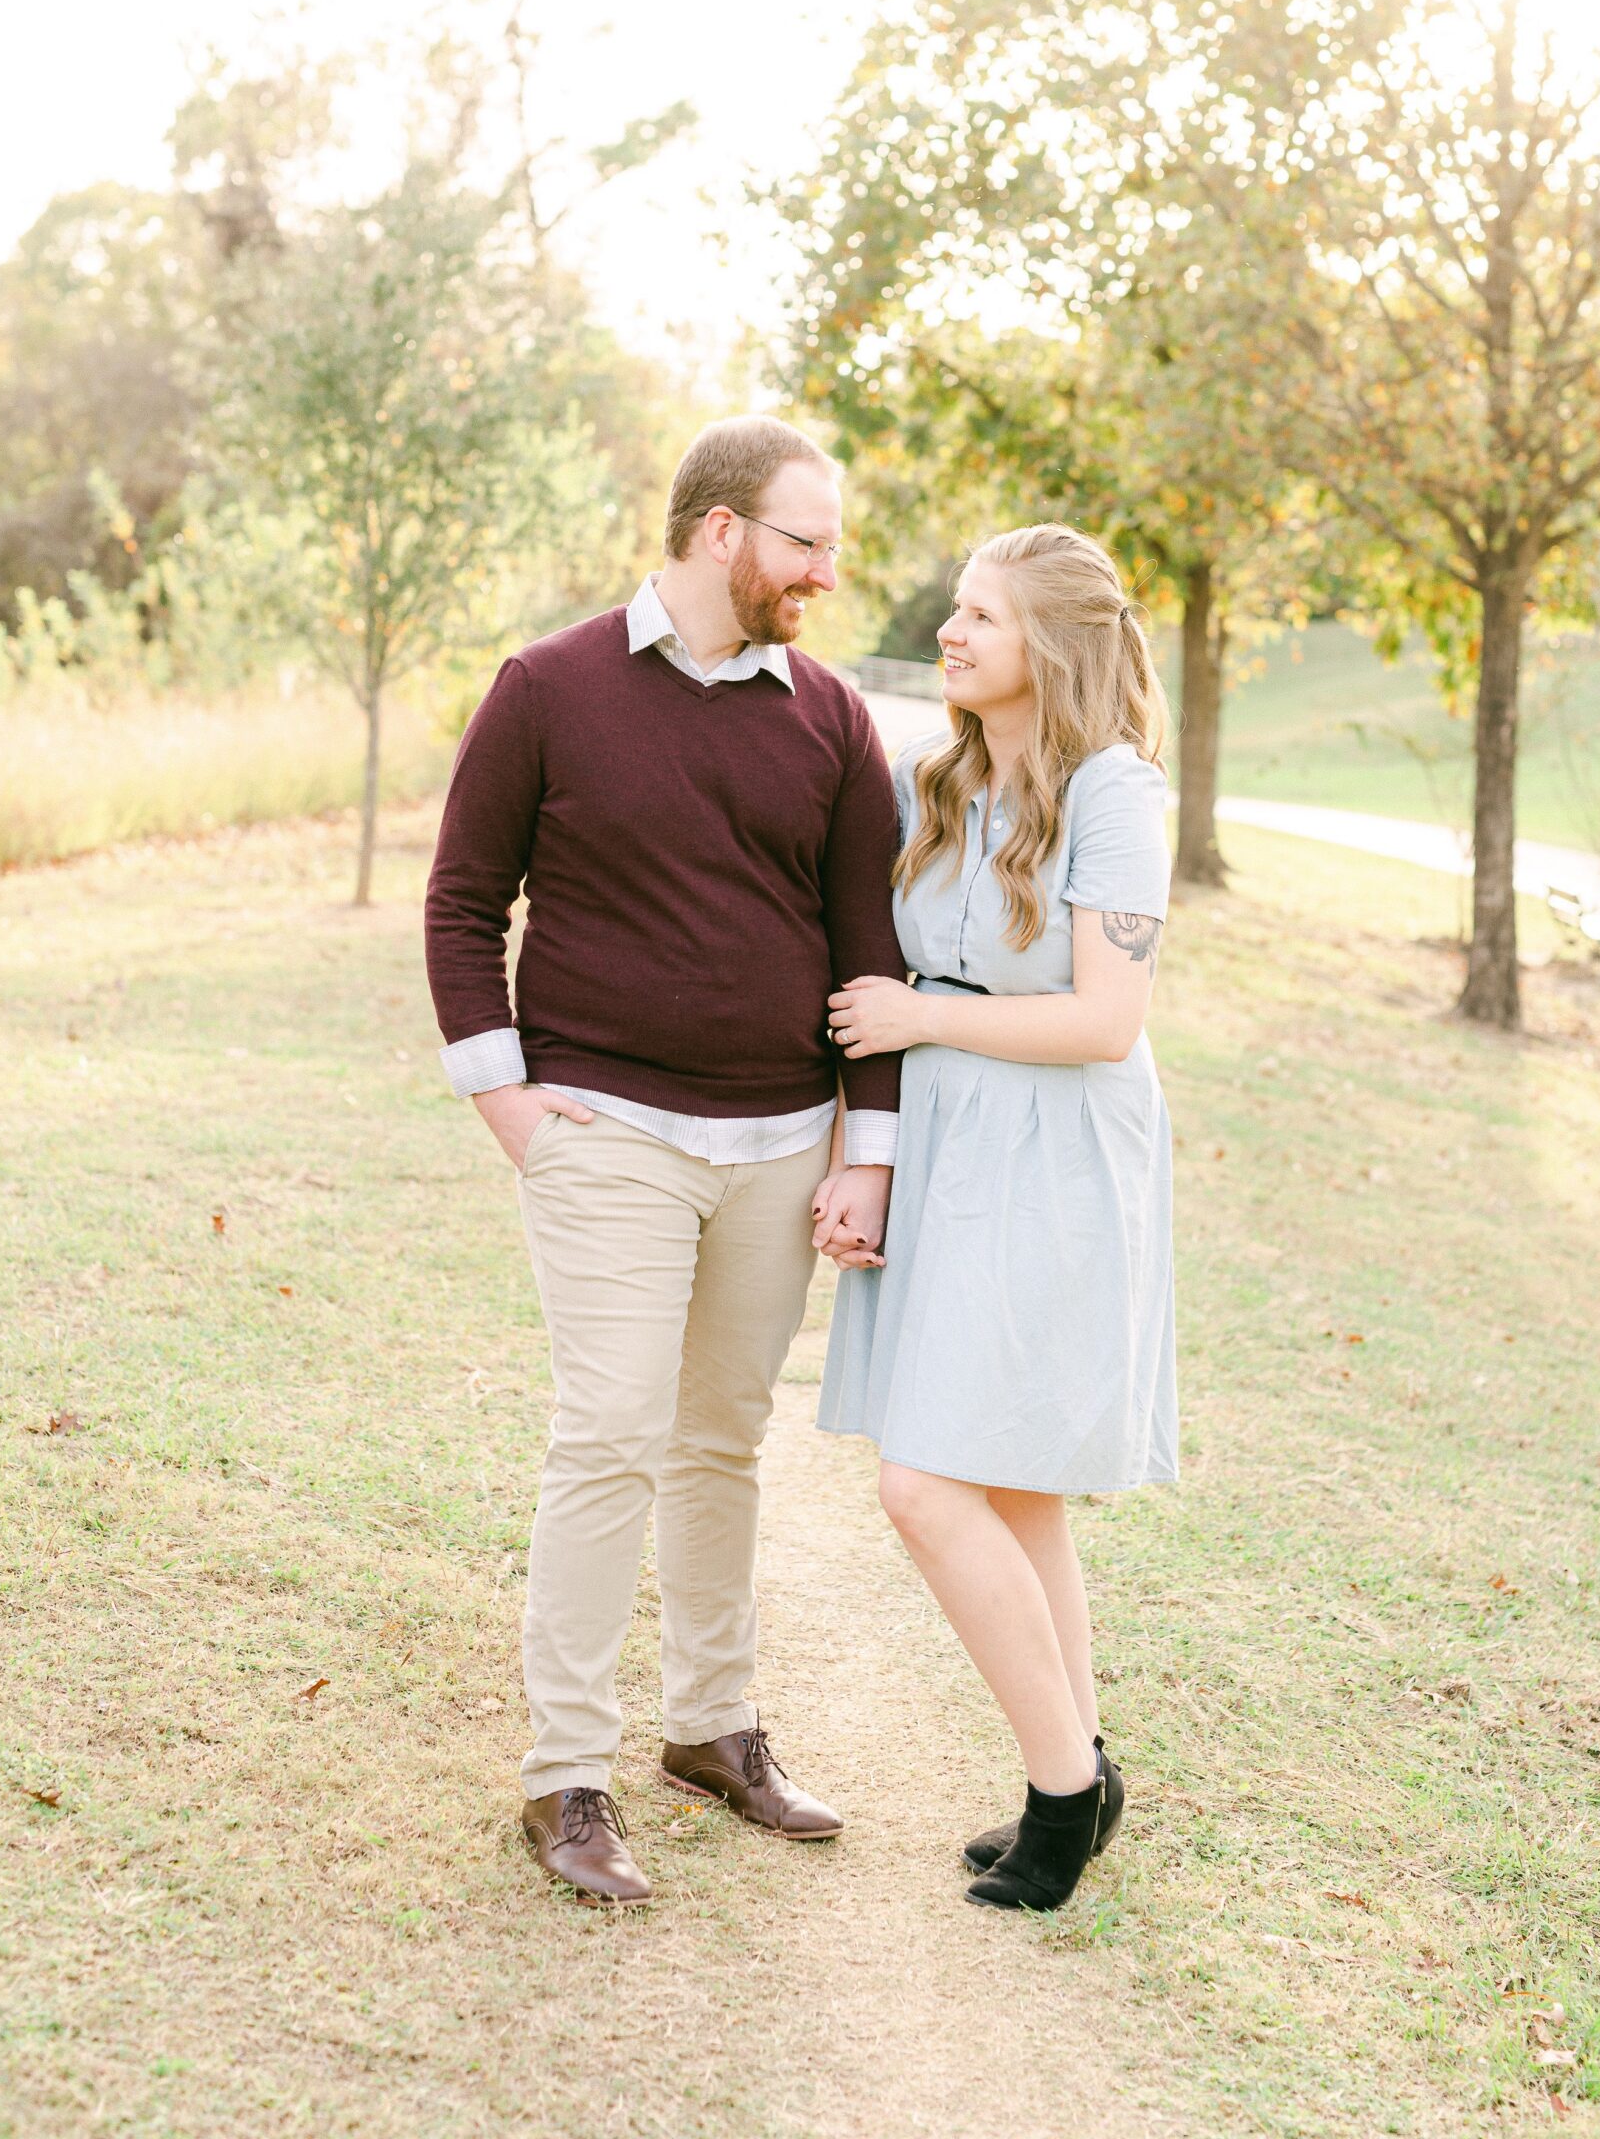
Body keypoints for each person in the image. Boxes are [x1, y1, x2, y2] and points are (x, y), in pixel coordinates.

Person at [424, 416, 904, 1906]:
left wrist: (864, 1151)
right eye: (805, 541)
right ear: (720, 531)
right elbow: (460, 904)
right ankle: (566, 1773)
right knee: (612, 1432)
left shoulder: (832, 720)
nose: (825, 571)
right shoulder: (548, 688)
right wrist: (509, 1104)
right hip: (606, 1135)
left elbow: (867, 951)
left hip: (776, 1146)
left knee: (719, 1441)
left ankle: (715, 1731)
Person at [816, 523, 1175, 1913]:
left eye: (981, 616)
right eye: (955, 610)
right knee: (1010, 1478)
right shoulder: (944, 784)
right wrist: (873, 1153)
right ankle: (1083, 1760)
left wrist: (923, 1015)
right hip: (956, 1142)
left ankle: (1062, 1792)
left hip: (1061, 1157)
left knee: (927, 1482)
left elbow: (1105, 1020)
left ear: (1055, 650)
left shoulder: (1115, 794)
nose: (951, 632)